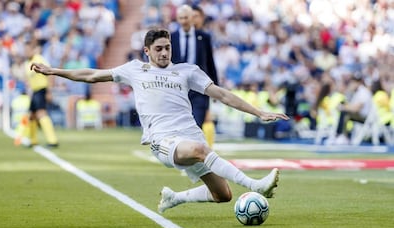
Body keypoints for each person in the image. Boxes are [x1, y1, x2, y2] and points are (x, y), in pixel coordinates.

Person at [30, 28, 289, 214]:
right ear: (147, 51)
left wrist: (258, 112)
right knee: (201, 151)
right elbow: (91, 75)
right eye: (159, 49)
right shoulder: (135, 69)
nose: (164, 53)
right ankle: (256, 185)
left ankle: (173, 198)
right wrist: (55, 71)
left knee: (222, 195)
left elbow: (221, 94)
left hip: (191, 136)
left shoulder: (187, 71)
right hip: (162, 141)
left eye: (167, 48)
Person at [171, 4, 218, 147]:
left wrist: (215, 89)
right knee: (180, 125)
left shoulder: (204, 37)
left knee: (197, 125)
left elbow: (210, 63)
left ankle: (195, 156)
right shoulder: (171, 37)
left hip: (199, 88)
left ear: (192, 18)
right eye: (181, 18)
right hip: (179, 89)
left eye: (186, 17)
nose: (184, 21)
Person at [24, 41, 59, 147]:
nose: (26, 52)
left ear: (33, 50)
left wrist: (49, 90)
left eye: (28, 50)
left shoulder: (39, 59)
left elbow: (50, 73)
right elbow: (29, 80)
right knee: (31, 116)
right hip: (34, 92)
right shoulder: (26, 63)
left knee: (41, 114)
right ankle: (33, 140)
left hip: (42, 89)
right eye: (25, 50)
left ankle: (53, 141)